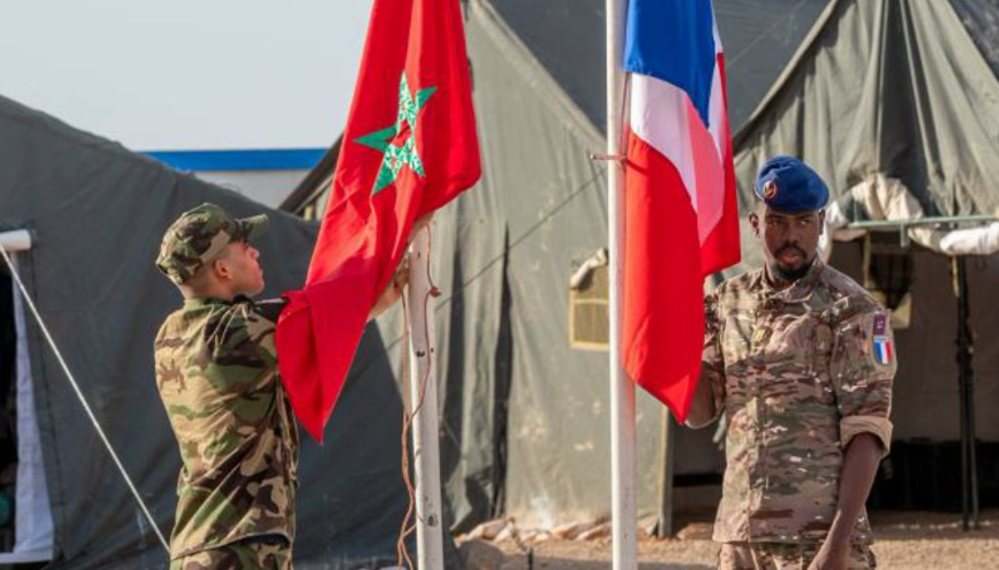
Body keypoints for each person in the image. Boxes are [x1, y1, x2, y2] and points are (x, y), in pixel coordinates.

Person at [153, 203, 405, 569]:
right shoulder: (237, 332)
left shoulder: (170, 337)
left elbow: (325, 320)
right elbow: (332, 307)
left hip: (201, 546)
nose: (255, 251)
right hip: (239, 548)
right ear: (222, 268)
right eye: (244, 247)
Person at [687, 156, 897, 570]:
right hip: (740, 537)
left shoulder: (852, 310)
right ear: (755, 223)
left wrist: (836, 546)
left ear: (821, 223)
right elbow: (699, 414)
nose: (790, 236)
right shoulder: (726, 303)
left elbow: (868, 433)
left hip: (816, 539)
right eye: (777, 221)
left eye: (803, 222)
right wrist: (670, 350)